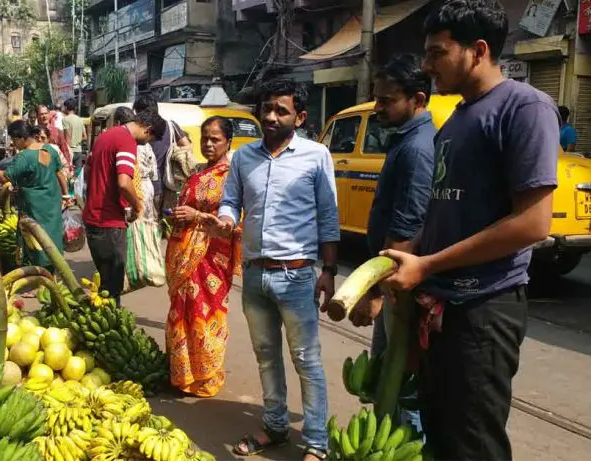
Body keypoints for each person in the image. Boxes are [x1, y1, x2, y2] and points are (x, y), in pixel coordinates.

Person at [376, 1, 559, 459]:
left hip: (484, 310)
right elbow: (446, 213)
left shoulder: (525, 107)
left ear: (478, 51)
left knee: (473, 446)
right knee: (440, 437)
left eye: (437, 53)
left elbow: (533, 223)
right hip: (442, 308)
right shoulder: (456, 118)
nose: (426, 65)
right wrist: (410, 261)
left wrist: (428, 265)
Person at [215, 79, 339, 461]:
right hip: (253, 274)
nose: (270, 116)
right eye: (266, 108)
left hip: (297, 275)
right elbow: (231, 199)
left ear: (299, 117)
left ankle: (316, 442)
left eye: (280, 110)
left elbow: (328, 216)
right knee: (266, 355)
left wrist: (329, 270)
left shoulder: (316, 156)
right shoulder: (243, 157)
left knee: (306, 360)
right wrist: (224, 216)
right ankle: (275, 426)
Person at [349, 54, 435, 433]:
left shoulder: (417, 149)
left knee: (399, 380)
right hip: (393, 280)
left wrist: (377, 293)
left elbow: (407, 226)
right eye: (376, 99)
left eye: (387, 101)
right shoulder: (405, 141)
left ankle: (404, 445)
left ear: (417, 100)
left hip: (400, 283)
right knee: (387, 374)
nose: (378, 108)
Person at [165, 116, 241, 398]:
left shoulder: (231, 177)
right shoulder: (198, 172)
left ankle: (206, 375)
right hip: (185, 254)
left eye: (215, 139)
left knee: (204, 313)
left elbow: (235, 220)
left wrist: (196, 216)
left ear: (227, 142)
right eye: (205, 138)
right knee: (181, 312)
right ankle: (182, 372)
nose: (208, 144)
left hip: (211, 257)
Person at [82, 109, 166, 306]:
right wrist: (138, 205)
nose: (146, 144)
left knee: (105, 283)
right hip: (109, 222)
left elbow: (88, 171)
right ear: (149, 130)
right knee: (112, 287)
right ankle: (110, 329)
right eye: (150, 139)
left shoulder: (106, 136)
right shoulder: (126, 141)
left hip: (94, 218)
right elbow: (123, 182)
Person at [0, 121, 68, 271]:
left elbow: (6, 177)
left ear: (21, 138)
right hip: (52, 203)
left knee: (34, 242)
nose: (13, 144)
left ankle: (39, 280)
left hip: (34, 207)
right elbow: (60, 173)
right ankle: (52, 275)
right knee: (51, 238)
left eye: (14, 140)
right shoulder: (50, 150)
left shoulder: (24, 157)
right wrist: (65, 194)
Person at [133, 94, 191, 212]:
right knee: (165, 220)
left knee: (148, 221)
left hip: (144, 184)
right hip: (169, 183)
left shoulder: (139, 130)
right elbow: (187, 146)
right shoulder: (171, 125)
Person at [112, 107, 159, 221]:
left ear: (117, 123)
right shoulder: (144, 144)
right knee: (144, 224)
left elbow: (123, 183)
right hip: (144, 186)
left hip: (130, 188)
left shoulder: (121, 141)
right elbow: (154, 172)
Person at [38, 104, 72, 176]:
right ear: (38, 116)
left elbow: (64, 150)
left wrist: (68, 167)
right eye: (41, 114)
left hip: (56, 169)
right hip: (40, 170)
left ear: (49, 114)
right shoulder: (33, 133)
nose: (44, 116)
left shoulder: (57, 131)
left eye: (45, 113)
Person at [62, 98, 87, 169]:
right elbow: (85, 137)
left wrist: (67, 152)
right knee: (78, 174)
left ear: (66, 107)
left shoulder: (65, 119)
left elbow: (68, 137)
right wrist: (77, 141)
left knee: (70, 175)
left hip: (70, 151)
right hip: (79, 151)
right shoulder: (80, 119)